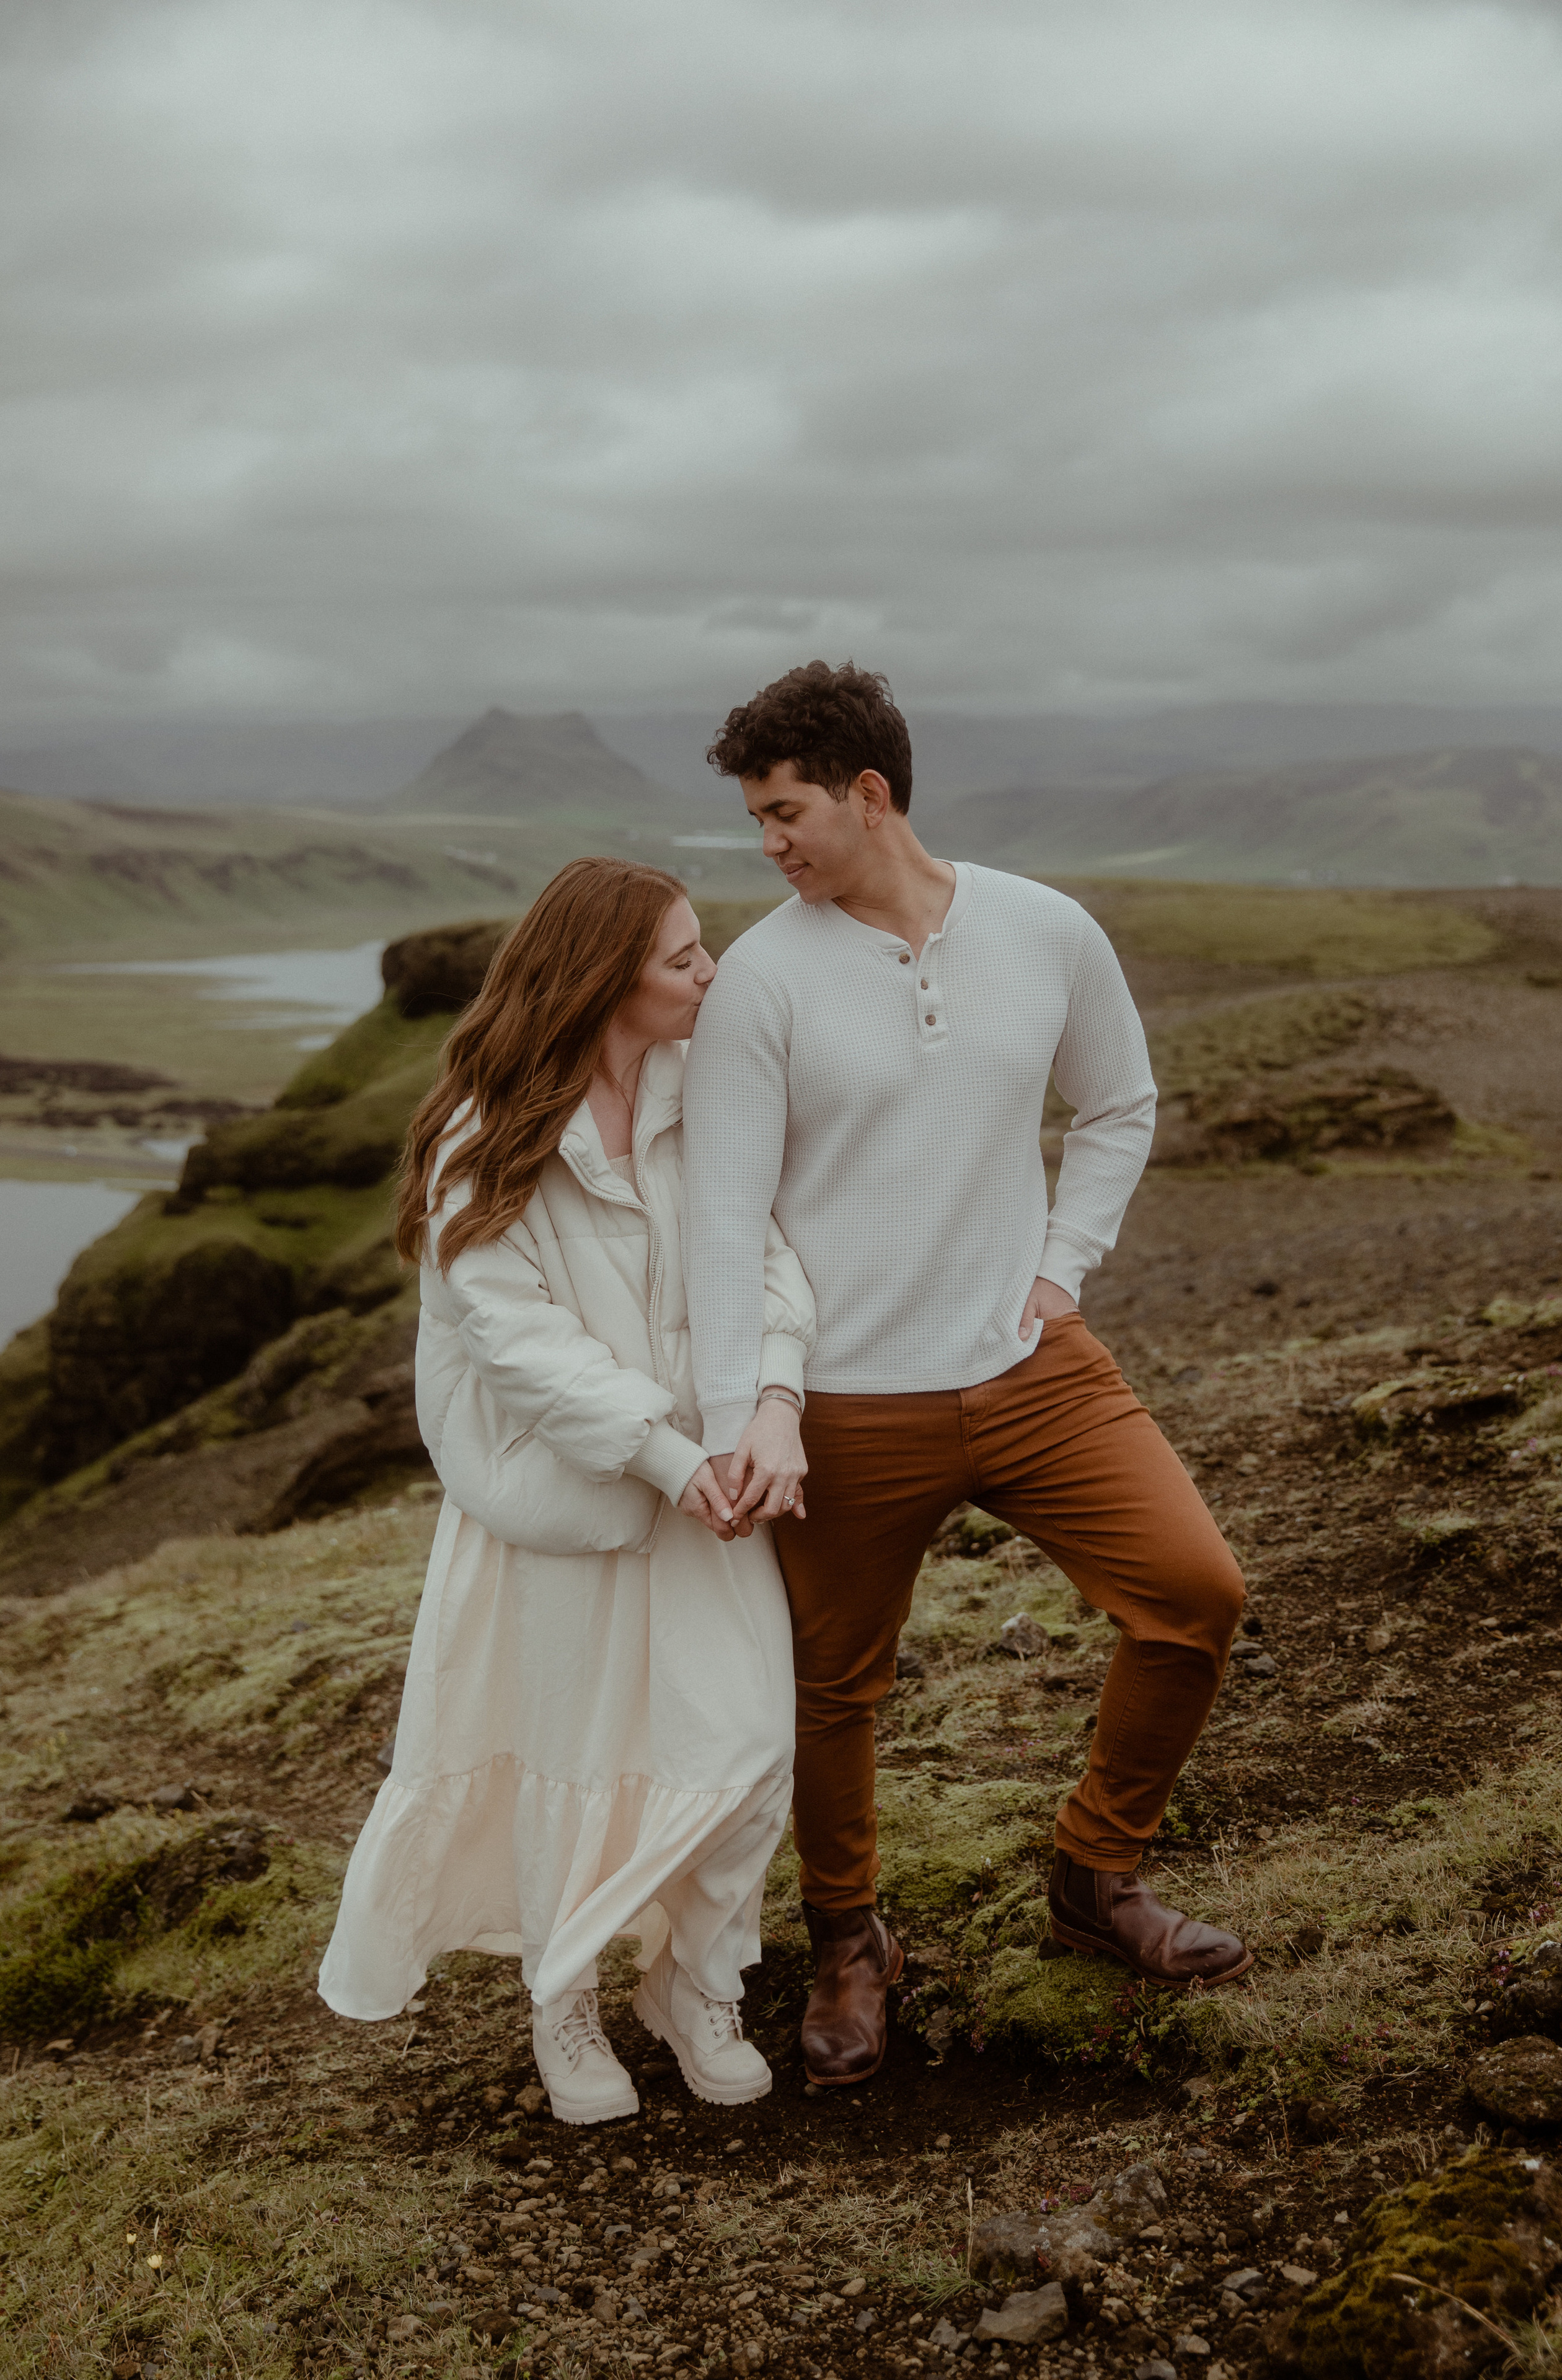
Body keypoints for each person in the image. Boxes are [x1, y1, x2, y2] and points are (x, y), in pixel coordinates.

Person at [682, 661, 1252, 2091]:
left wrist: (1060, 1267)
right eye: (756, 819)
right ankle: (846, 1945)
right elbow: (721, 1221)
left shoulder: (1044, 929)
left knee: (1193, 1599)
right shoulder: (759, 981)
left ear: (868, 795)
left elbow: (1117, 1101)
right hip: (845, 1405)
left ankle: (1092, 1876)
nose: (769, 844)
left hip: (1031, 1368)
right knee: (833, 1691)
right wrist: (749, 1413)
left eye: (785, 810)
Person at [319, 858, 813, 2123]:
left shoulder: (713, 1093)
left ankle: (695, 1982)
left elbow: (766, 1260)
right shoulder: (484, 1140)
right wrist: (669, 1457)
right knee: (569, 1760)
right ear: (606, 981)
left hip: (709, 1487)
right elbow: (520, 1348)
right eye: (683, 957)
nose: (712, 973)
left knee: (745, 1748)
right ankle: (564, 1994)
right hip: (559, 1509)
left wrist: (771, 1406)